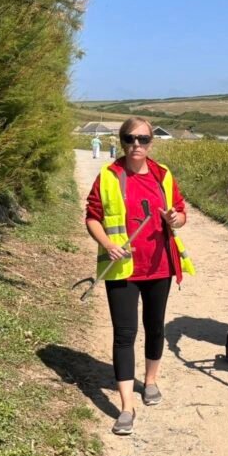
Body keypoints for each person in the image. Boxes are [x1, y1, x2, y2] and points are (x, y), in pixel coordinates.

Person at [85, 117, 195, 435]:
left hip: (159, 266)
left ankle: (150, 381)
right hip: (123, 268)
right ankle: (126, 407)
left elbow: (181, 213)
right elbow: (92, 217)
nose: (137, 144)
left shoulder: (162, 175)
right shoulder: (108, 176)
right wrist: (107, 243)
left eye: (143, 139)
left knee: (154, 327)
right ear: (121, 141)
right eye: (130, 138)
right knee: (124, 333)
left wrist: (177, 218)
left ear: (151, 142)